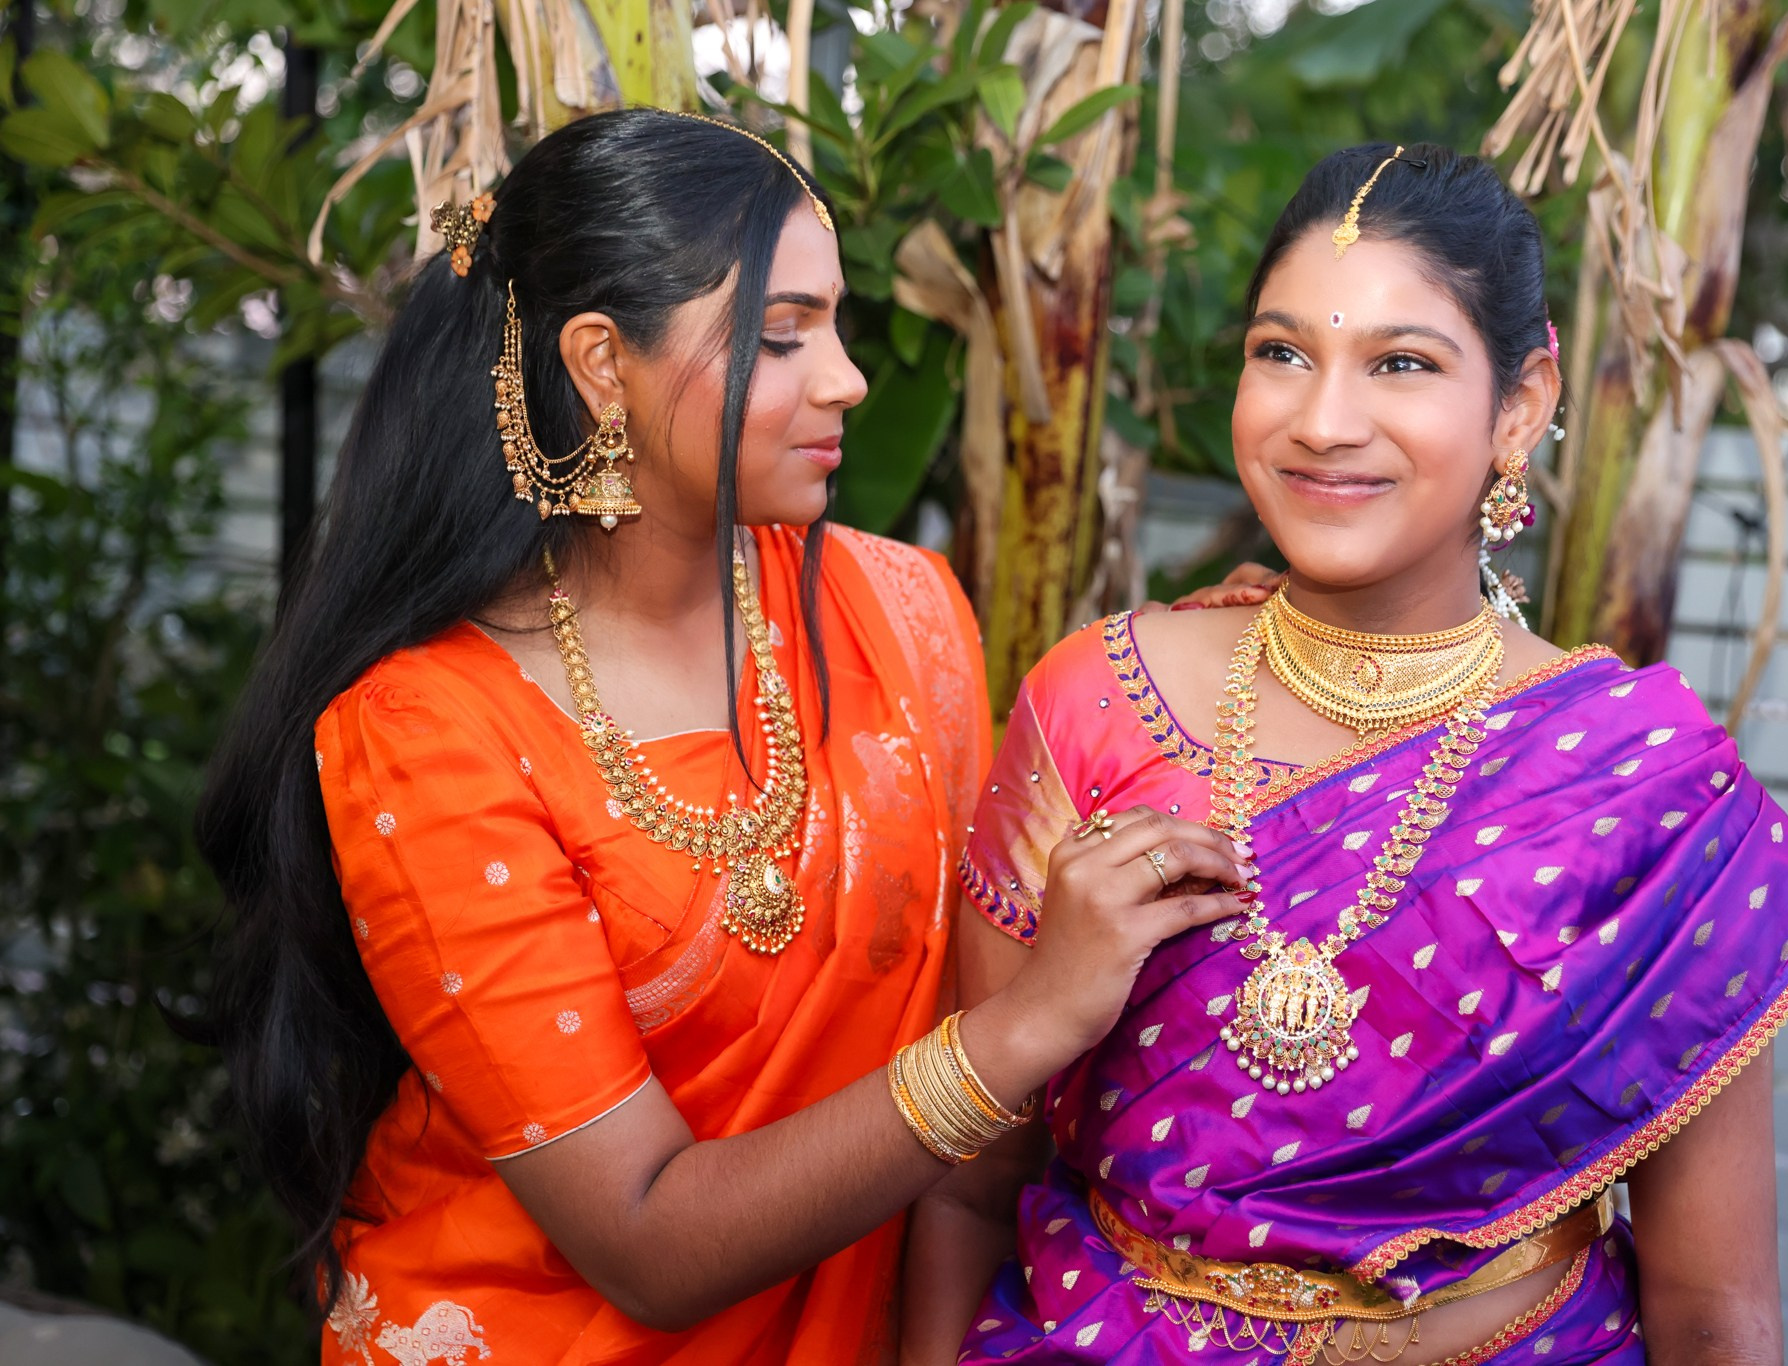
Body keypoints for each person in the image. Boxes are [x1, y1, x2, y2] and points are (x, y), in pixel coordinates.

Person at [194, 109, 1253, 1365]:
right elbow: (643, 1241)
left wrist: (1226, 676)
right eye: (783, 335)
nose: (848, 376)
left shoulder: (901, 613)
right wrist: (1023, 1031)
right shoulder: (426, 733)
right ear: (601, 363)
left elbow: (1006, 903)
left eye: (837, 324)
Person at [919, 143, 1788, 1365]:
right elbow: (965, 1186)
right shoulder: (1097, 699)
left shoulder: (1637, 784)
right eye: (1280, 353)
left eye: (1399, 363)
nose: (1321, 421)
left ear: (1517, 405)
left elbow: (1714, 1310)